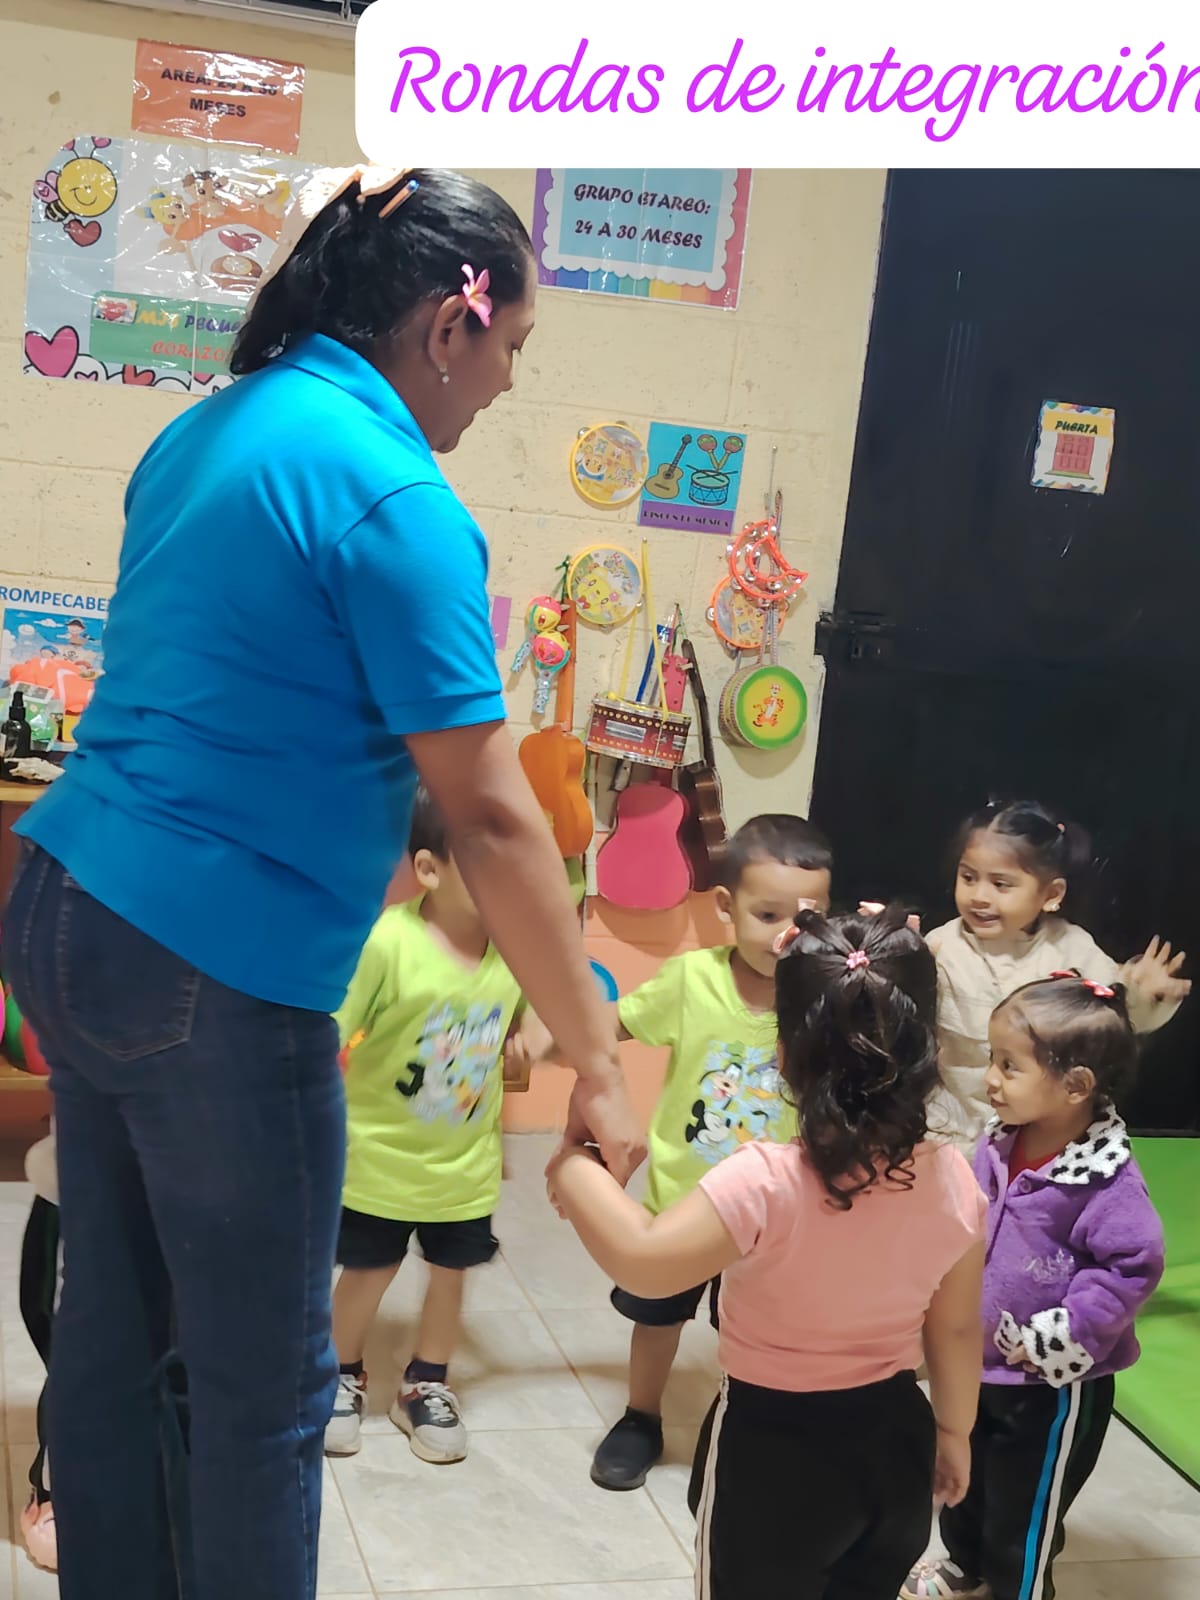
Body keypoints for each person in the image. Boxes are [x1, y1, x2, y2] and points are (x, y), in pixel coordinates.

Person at [3, 165, 643, 1600]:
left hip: (68, 907)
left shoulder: (211, 426)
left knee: (116, 1339)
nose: (505, 383)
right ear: (447, 326)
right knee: (264, 1392)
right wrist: (596, 1058)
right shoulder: (392, 493)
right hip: (209, 961)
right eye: (511, 347)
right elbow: (492, 816)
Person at [550, 904, 987, 1599]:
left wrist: (574, 1166)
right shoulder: (955, 1176)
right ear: (925, 1049)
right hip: (897, 1442)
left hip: (771, 1451)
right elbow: (958, 1328)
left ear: (783, 1052)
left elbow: (642, 1259)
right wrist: (954, 1432)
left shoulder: (764, 1180)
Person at [589, 815, 834, 1491]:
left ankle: (746, 1420)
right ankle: (641, 1415)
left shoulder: (824, 995)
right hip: (682, 1202)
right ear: (725, 906)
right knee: (657, 1315)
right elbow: (612, 1024)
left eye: (807, 918)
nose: (786, 934)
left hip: (776, 1217)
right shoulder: (691, 979)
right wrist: (552, 1040)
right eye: (767, 914)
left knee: (758, 1328)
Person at [904, 973, 1165, 1600]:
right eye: (993, 1060)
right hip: (978, 1362)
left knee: (1025, 1509)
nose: (990, 1079)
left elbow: (1135, 1263)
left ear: (1075, 1086)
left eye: (1009, 1066)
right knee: (966, 1476)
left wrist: (1066, 1333)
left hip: (1052, 1384)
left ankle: (1019, 1588)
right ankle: (965, 1564)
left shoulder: (1105, 1180)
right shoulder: (998, 1144)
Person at [325, 786, 544, 1463]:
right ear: (428, 869)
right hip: (378, 1159)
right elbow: (330, 1028)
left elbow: (540, 1009)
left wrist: (531, 1042)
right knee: (369, 1270)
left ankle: (426, 1382)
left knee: (452, 1274)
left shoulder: (515, 947)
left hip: (464, 1166)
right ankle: (337, 1374)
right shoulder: (388, 943)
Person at [927, 799, 1189, 1150]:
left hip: (1048, 1139)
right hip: (955, 1133)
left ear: (1051, 894)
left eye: (1001, 884)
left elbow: (1114, 1021)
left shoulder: (1073, 949)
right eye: (969, 877)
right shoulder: (940, 946)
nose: (979, 896)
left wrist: (1144, 995)